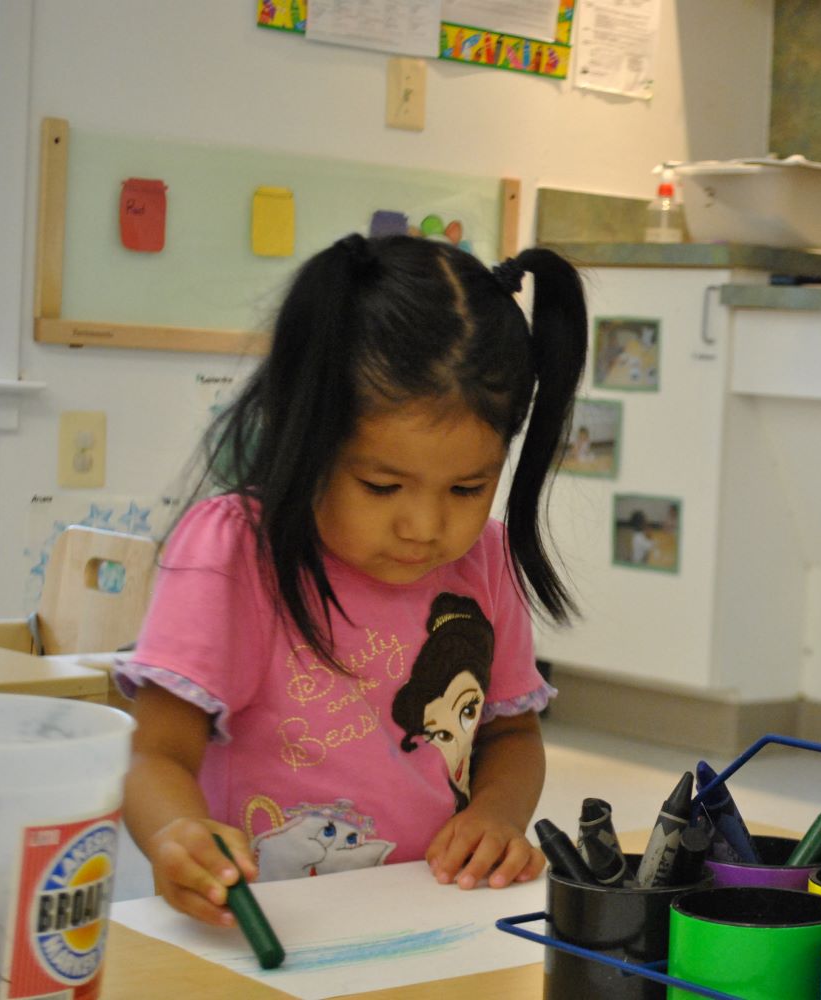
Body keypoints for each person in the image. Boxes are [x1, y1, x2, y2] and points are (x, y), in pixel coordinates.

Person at [119, 233, 588, 928]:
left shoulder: (484, 560)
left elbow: (511, 737)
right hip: (268, 928)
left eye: (467, 487)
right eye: (381, 485)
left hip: (426, 918)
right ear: (306, 437)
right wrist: (174, 835)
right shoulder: (236, 553)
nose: (425, 526)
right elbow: (156, 752)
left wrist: (495, 814)